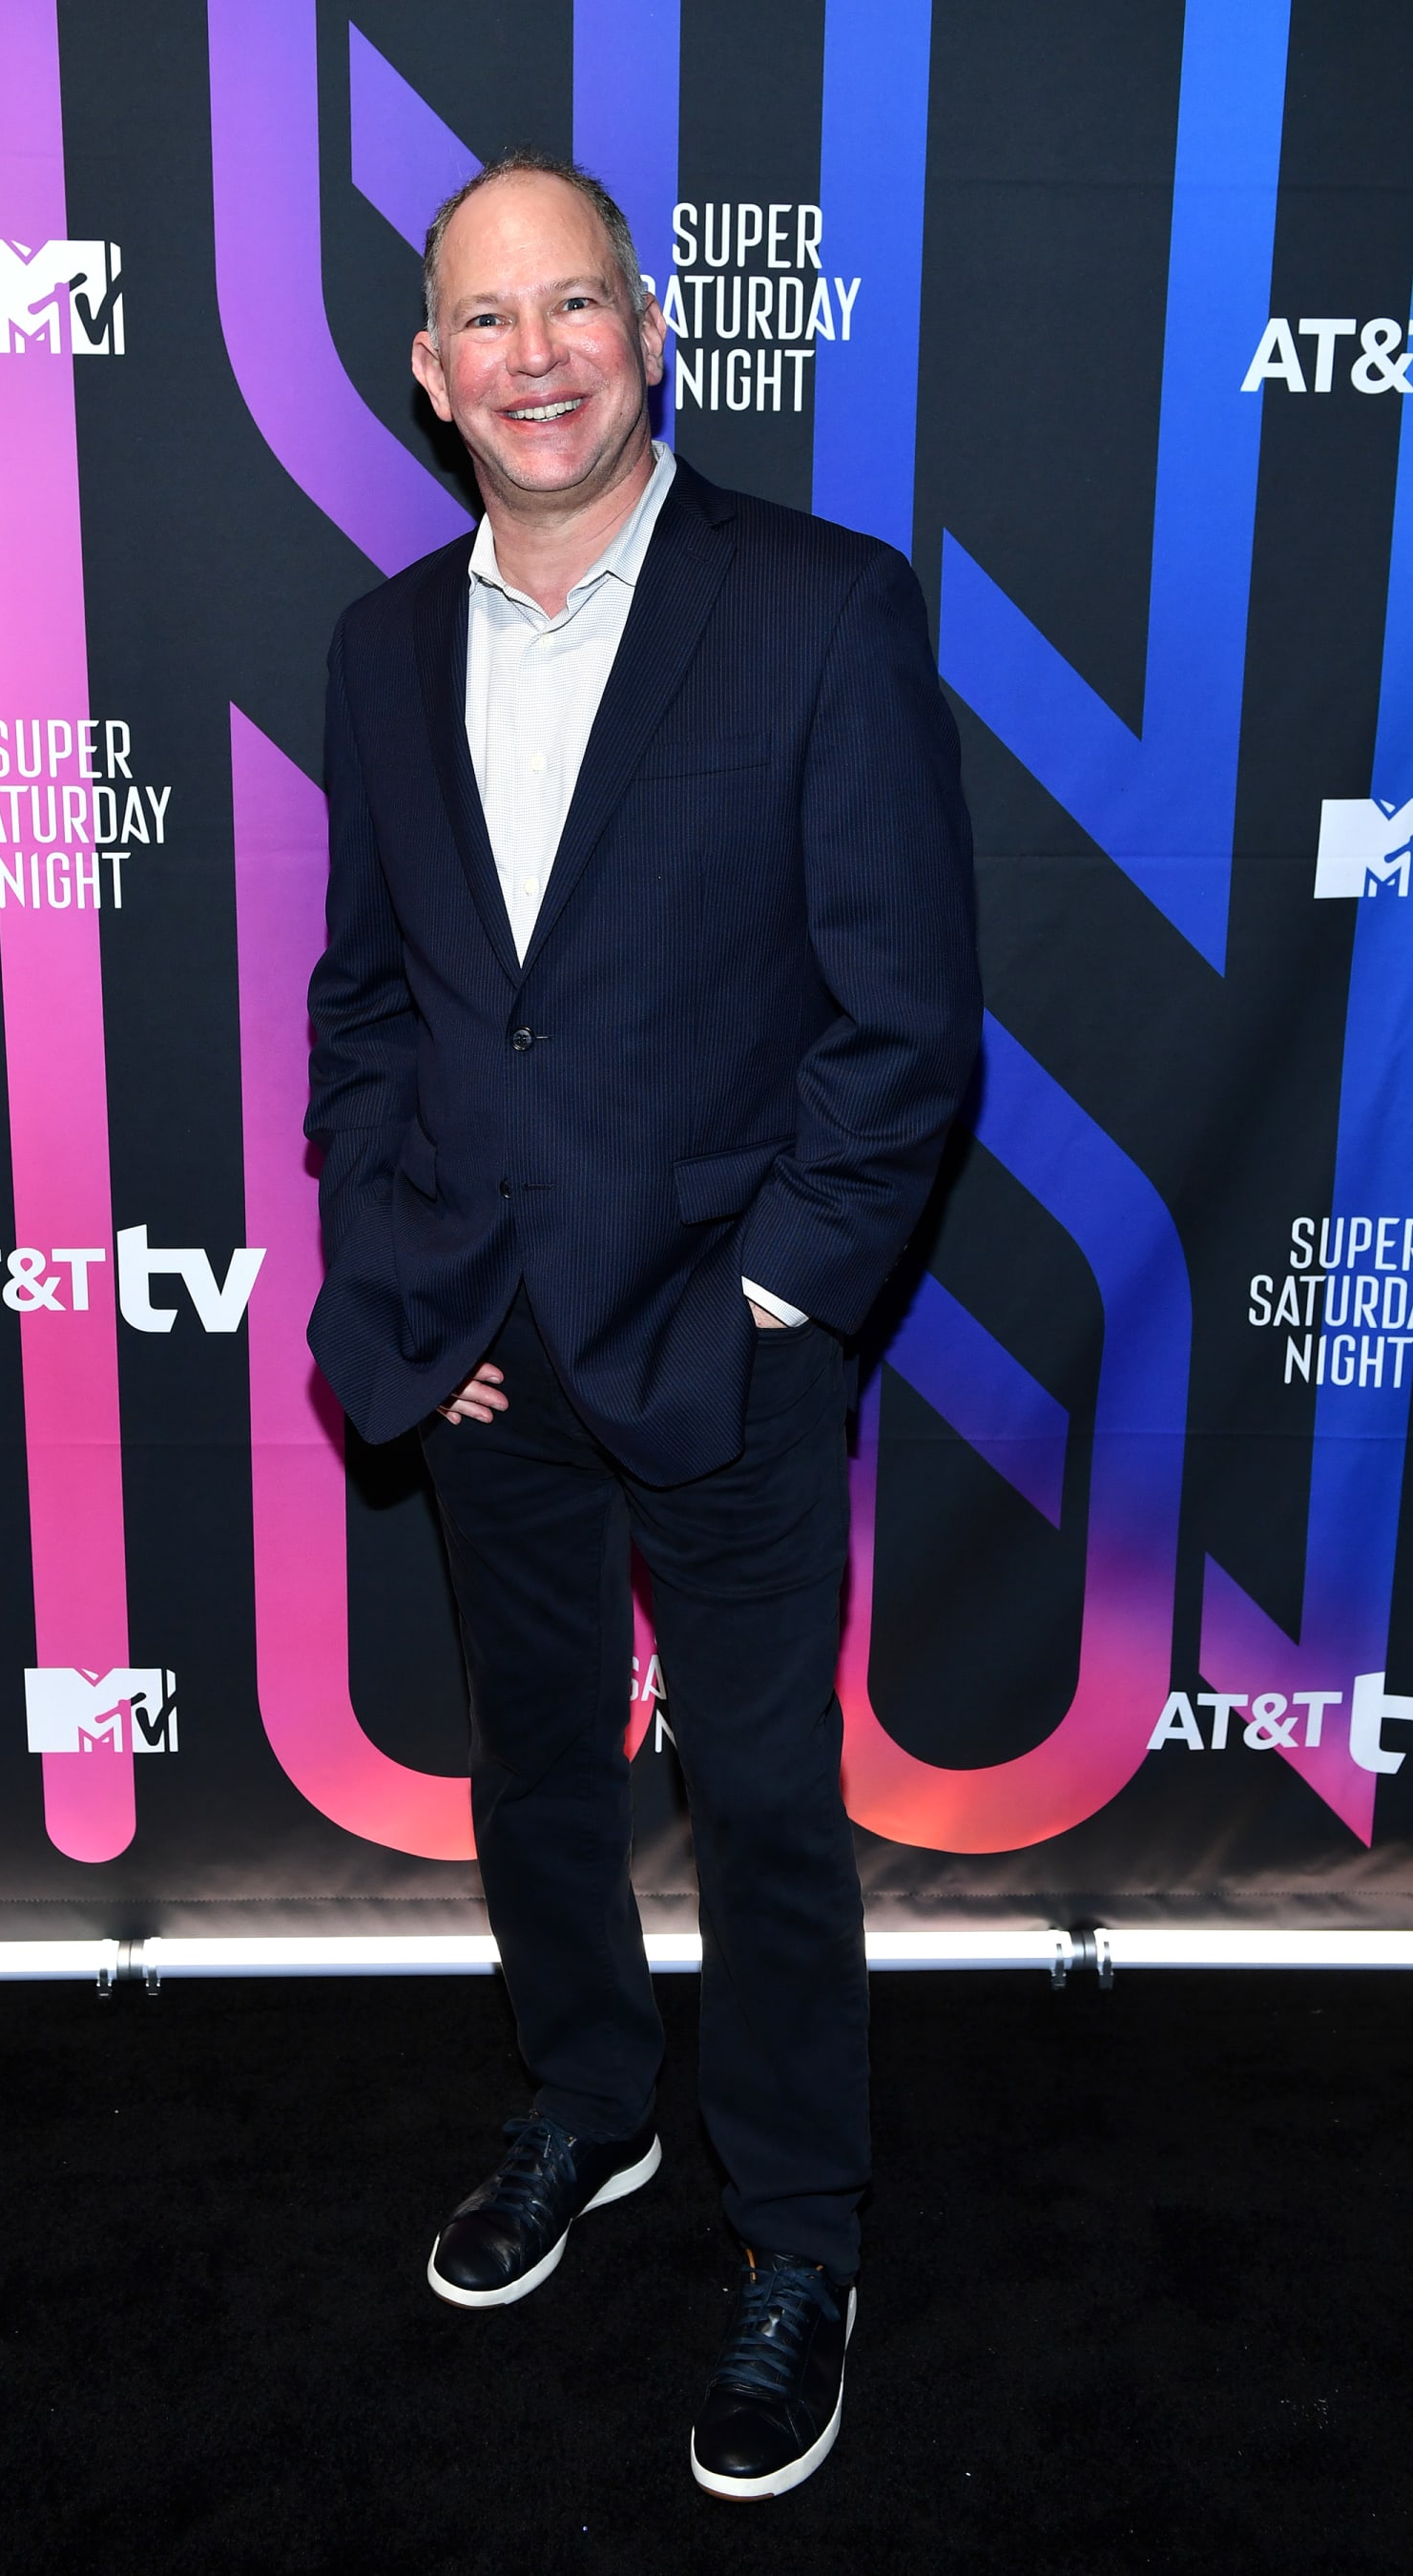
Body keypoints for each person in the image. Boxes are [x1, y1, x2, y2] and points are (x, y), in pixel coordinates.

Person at [304, 146, 980, 2501]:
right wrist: (411, 1287)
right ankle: (585, 2110)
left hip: (728, 1349)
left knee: (769, 1804)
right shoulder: (384, 647)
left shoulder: (815, 608)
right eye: (484, 323)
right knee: (537, 1779)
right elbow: (371, 1009)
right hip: (488, 1348)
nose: (536, 360)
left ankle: (800, 2231)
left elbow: (905, 1028)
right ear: (426, 372)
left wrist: (775, 1304)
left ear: (650, 327)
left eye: (573, 304)